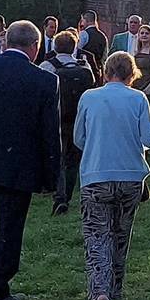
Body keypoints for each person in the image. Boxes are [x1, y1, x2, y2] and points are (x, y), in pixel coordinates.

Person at [74, 52, 150, 300]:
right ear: (132, 74)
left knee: (97, 234)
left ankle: (100, 291)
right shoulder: (138, 99)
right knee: (121, 234)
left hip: (97, 175)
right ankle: (116, 288)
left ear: (106, 71)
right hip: (130, 176)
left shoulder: (89, 97)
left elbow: (79, 138)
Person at [0, 21, 60, 300]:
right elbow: (49, 132)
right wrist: (52, 177)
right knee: (10, 227)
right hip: (18, 161)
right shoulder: (44, 80)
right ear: (35, 47)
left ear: (5, 43)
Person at [40, 31, 96, 215]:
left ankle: (59, 196)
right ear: (74, 47)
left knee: (58, 157)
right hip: (80, 117)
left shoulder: (48, 66)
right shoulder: (85, 66)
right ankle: (69, 194)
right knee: (74, 158)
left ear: (55, 47)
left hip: (57, 118)